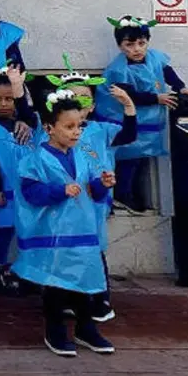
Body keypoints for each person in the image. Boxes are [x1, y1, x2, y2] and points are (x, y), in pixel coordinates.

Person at [16, 92, 115, 357]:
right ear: (49, 128)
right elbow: (30, 194)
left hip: (81, 232)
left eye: (79, 126)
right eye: (69, 127)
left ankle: (86, 327)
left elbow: (91, 190)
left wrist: (102, 184)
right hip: (53, 235)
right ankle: (55, 330)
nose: (76, 132)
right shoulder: (34, 160)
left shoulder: (82, 156)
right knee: (56, 285)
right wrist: (59, 190)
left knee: (85, 281)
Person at [94, 16, 188, 213]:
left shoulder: (154, 57)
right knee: (128, 157)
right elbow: (129, 94)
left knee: (141, 156)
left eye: (141, 43)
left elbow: (167, 71)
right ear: (120, 46)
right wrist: (156, 99)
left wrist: (181, 88)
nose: (136, 49)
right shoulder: (118, 70)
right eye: (130, 44)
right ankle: (122, 193)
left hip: (146, 122)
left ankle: (127, 193)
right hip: (124, 120)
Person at [63, 72, 138, 322]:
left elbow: (128, 135)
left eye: (84, 99)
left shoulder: (101, 130)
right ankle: (70, 297)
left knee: (93, 247)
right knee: (68, 249)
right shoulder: (55, 132)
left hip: (95, 199)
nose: (79, 104)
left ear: (92, 105)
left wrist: (128, 106)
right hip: (67, 200)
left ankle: (100, 297)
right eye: (72, 98)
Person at [0, 67, 39, 294]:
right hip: (5, 191)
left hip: (30, 192)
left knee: (30, 231)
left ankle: (30, 274)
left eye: (9, 99)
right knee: (3, 231)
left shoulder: (31, 125)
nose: (3, 104)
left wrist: (27, 121)